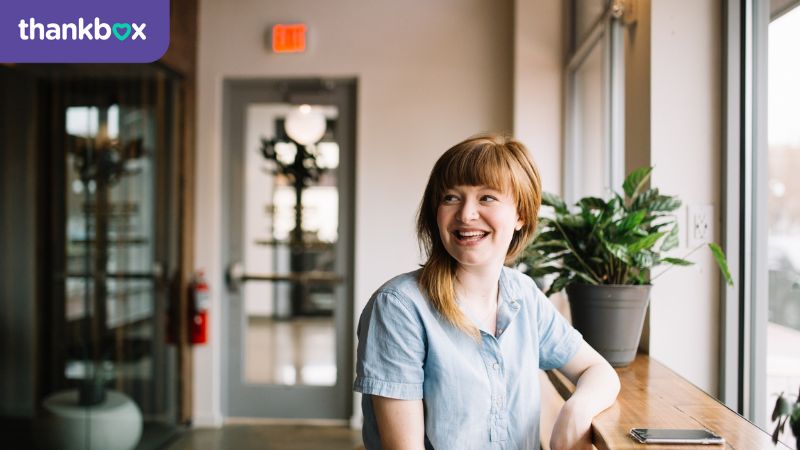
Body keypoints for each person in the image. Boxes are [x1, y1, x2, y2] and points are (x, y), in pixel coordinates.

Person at [354, 134, 620, 450]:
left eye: (487, 198)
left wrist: (577, 410)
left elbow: (598, 370)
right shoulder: (398, 307)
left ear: (521, 214)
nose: (466, 214)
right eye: (451, 197)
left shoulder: (523, 294)